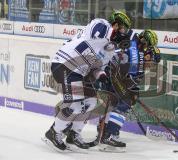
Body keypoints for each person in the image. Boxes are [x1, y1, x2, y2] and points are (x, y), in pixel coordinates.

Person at [43, 10, 132, 152]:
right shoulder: (101, 24)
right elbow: (96, 33)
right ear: (115, 24)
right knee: (75, 106)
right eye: (122, 28)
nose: (123, 32)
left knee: (91, 103)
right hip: (65, 64)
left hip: (79, 73)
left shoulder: (109, 50)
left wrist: (102, 75)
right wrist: (113, 37)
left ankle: (73, 135)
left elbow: (97, 68)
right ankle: (53, 133)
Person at [97, 29, 160, 152]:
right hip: (107, 75)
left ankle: (105, 133)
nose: (151, 65)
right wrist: (131, 94)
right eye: (152, 61)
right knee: (123, 103)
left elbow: (130, 79)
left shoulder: (136, 47)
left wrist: (133, 92)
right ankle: (108, 135)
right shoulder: (136, 53)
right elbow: (128, 78)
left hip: (110, 74)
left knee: (116, 104)